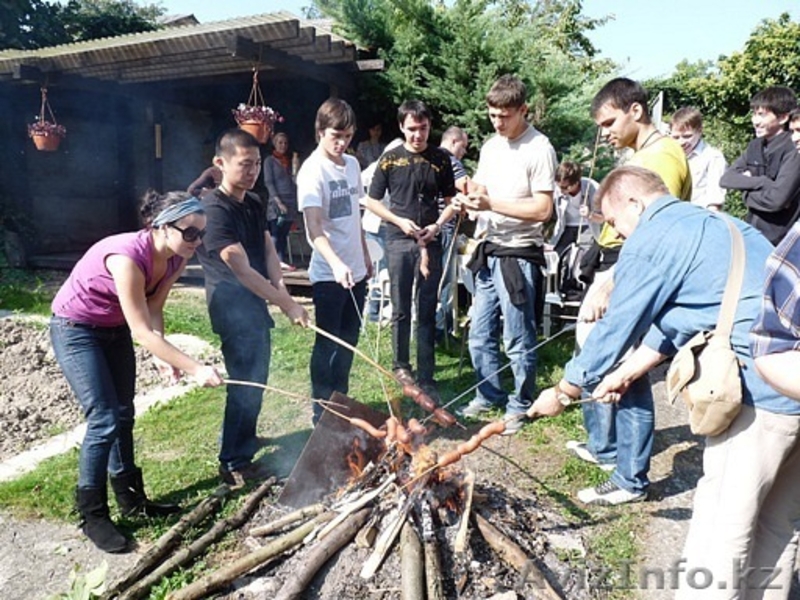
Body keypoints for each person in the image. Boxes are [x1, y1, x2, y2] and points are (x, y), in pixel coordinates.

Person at [528, 166, 799, 598]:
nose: (616, 233)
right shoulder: (718, 225)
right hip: (794, 387)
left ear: (635, 203)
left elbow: (617, 325)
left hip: (760, 392)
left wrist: (564, 390)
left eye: (614, 221)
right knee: (778, 523)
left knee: (724, 526)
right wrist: (626, 373)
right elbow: (684, 320)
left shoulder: (653, 236)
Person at [50, 190, 224, 553]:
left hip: (114, 329)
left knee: (124, 413)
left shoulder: (176, 258)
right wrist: (194, 368)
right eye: (190, 232)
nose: (197, 241)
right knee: (104, 419)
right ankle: (92, 516)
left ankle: (131, 499)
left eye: (202, 233)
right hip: (76, 329)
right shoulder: (127, 258)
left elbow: (153, 309)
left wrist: (162, 353)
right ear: (162, 227)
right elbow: (142, 332)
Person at [563, 77, 692, 503]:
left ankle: (630, 479)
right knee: (601, 356)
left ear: (635, 111)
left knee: (629, 372)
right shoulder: (642, 153)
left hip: (631, 268)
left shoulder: (661, 157)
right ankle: (606, 448)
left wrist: (613, 283)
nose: (604, 132)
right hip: (616, 262)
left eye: (609, 122)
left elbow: (655, 232)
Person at [195, 128, 309, 487]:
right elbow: (240, 268)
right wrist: (286, 304)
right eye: (245, 164)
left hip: (255, 303)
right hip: (231, 306)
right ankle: (233, 461)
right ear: (220, 163)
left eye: (257, 164)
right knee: (245, 383)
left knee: (256, 379)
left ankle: (244, 438)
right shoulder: (213, 210)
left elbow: (268, 250)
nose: (253, 171)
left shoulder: (255, 201)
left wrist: (282, 290)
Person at [455, 74, 557, 434]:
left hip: (519, 254)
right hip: (488, 248)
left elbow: (543, 209)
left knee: (517, 336)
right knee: (479, 331)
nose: (498, 123)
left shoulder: (539, 148)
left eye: (505, 116)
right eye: (492, 115)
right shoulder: (491, 147)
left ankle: (521, 403)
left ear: (523, 110)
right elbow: (482, 189)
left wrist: (490, 203)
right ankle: (489, 394)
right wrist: (469, 197)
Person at [365, 100, 457, 400]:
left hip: (430, 240)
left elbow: (452, 202)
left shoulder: (441, 159)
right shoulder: (390, 159)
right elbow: (371, 200)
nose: (418, 135)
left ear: (430, 127)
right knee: (401, 306)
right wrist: (398, 220)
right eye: (412, 129)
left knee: (428, 308)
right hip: (398, 240)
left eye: (423, 128)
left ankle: (427, 373)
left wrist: (438, 225)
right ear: (402, 128)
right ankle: (401, 365)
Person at [297, 98, 371, 425]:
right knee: (328, 343)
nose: (341, 143)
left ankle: (341, 401)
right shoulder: (312, 171)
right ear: (320, 132)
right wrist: (337, 263)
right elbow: (314, 228)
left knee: (349, 341)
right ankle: (321, 409)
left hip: (357, 271)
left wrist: (364, 253)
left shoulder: (352, 165)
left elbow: (355, 215)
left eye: (347, 136)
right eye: (335, 136)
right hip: (329, 274)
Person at [720, 86, 800, 245]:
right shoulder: (755, 146)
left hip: (781, 241)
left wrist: (745, 191)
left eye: (762, 115)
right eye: (754, 114)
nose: (755, 121)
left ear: (783, 118)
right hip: (752, 233)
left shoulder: (794, 150)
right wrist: (762, 182)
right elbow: (726, 179)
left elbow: (777, 200)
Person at [437, 125, 470, 343]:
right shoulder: (451, 161)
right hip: (446, 226)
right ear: (454, 141)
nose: (464, 152)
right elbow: (466, 186)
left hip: (429, 225)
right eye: (463, 146)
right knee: (446, 282)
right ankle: (443, 330)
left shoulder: (430, 157)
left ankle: (430, 329)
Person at [669, 106, 727, 211]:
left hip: (698, 215)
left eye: (687, 136)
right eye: (676, 137)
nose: (681, 142)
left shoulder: (712, 157)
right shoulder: (669, 155)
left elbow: (715, 200)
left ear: (699, 131)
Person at [263, 132, 299, 270]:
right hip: (277, 201)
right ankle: (272, 262)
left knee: (284, 233)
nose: (283, 145)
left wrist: (295, 168)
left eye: (285, 143)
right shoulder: (269, 161)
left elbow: (295, 182)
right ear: (274, 144)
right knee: (275, 232)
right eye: (280, 142)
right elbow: (269, 182)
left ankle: (280, 261)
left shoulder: (289, 161)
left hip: (290, 200)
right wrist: (278, 202)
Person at [551, 160, 599, 257]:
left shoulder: (592, 187)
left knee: (584, 256)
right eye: (559, 186)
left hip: (587, 227)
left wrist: (590, 215)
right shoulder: (557, 190)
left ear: (576, 183)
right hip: (565, 228)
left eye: (565, 187)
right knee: (558, 254)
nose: (561, 190)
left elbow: (603, 217)